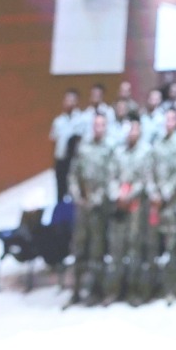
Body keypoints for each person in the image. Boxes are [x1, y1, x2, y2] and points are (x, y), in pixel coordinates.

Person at [68, 111, 113, 305]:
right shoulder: (83, 147)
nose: (98, 128)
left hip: (99, 208)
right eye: (96, 125)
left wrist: (97, 198)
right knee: (79, 249)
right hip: (82, 207)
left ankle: (97, 291)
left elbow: (111, 177)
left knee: (97, 250)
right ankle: (76, 291)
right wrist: (77, 195)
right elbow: (73, 174)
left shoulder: (110, 149)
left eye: (102, 125)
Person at [105, 118, 151, 303]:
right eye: (130, 129)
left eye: (135, 129)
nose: (132, 133)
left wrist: (129, 195)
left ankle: (134, 290)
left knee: (134, 248)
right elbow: (111, 176)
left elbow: (145, 179)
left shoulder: (145, 152)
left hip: (136, 206)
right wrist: (117, 195)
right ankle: (114, 290)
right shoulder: (117, 152)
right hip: (118, 206)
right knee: (116, 248)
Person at [148, 106, 176, 302]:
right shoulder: (157, 143)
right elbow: (149, 170)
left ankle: (173, 288)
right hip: (156, 204)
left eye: (172, 119)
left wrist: (165, 194)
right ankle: (155, 286)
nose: (169, 123)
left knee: (172, 246)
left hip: (172, 203)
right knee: (155, 244)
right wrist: (154, 192)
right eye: (167, 119)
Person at [50, 88, 80, 202]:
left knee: (75, 192)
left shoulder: (81, 119)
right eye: (67, 100)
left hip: (76, 162)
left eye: (72, 100)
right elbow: (53, 141)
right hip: (61, 161)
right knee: (60, 192)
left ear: (77, 102)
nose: (70, 103)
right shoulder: (58, 121)